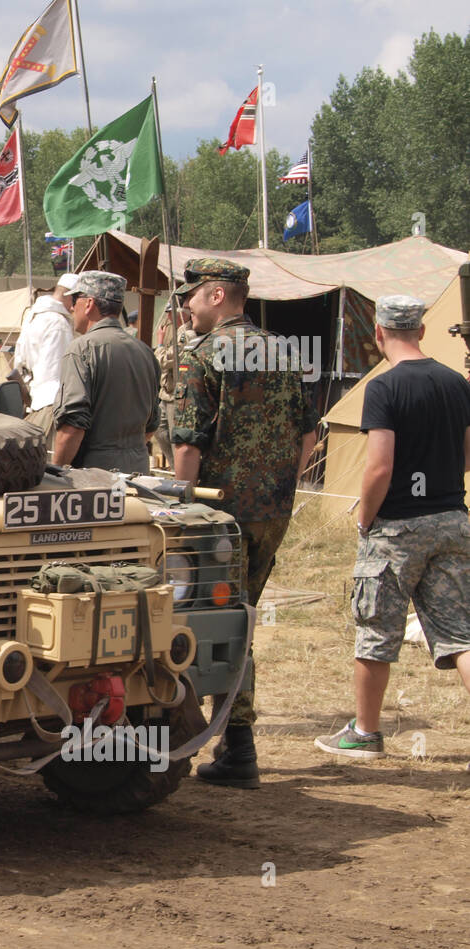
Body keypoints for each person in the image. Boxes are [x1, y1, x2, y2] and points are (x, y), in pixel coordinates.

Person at [171, 258, 318, 787]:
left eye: (191, 296)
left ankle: (218, 742)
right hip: (272, 511)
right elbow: (308, 436)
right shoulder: (285, 351)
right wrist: (278, 484)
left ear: (216, 295)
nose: (185, 306)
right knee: (243, 620)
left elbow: (188, 443)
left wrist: (179, 512)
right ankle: (238, 744)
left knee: (198, 624)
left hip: (216, 516)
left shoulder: (205, 356)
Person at [315, 295, 470, 758]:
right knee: (461, 635)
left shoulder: (383, 388)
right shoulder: (457, 384)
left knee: (375, 631)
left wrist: (365, 518)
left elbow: (379, 467)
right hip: (452, 518)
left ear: (378, 333)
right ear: (422, 331)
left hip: (397, 527)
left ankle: (365, 733)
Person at [50, 270, 159, 473]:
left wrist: (55, 472)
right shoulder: (144, 351)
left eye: (75, 299)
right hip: (138, 473)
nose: (72, 308)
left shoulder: (82, 349)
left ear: (89, 303)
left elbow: (73, 425)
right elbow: (151, 425)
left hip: (95, 478)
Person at [14, 272, 77, 433]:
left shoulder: (34, 316)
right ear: (71, 297)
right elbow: (55, 374)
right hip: (50, 406)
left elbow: (19, 360)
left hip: (35, 400)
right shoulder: (58, 323)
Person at [153, 300, 195, 469]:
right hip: (166, 392)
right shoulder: (177, 332)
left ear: (181, 314)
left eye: (171, 312)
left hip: (175, 393)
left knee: (173, 436)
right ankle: (174, 466)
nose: (168, 317)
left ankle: (178, 471)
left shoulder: (186, 334)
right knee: (159, 430)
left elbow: (163, 361)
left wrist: (161, 343)